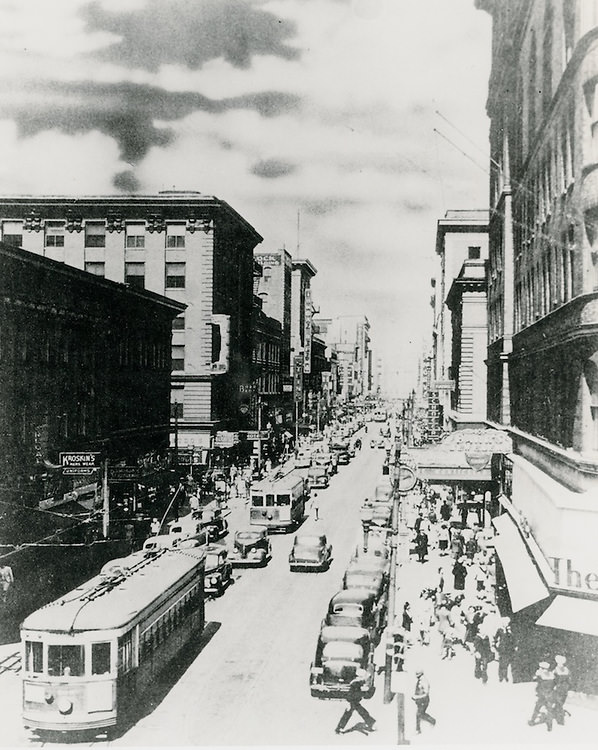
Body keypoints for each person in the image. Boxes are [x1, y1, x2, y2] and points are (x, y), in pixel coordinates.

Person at [528, 660, 555, 731]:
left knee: (537, 707)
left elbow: (535, 679)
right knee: (549, 710)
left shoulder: (541, 674)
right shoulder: (551, 674)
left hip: (542, 695)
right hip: (549, 694)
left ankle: (532, 720)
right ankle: (550, 726)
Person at [412, 670, 436, 734]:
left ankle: (432, 721)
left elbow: (426, 694)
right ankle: (418, 729)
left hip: (424, 700)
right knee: (419, 714)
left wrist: (417, 697)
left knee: (419, 714)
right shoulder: (420, 680)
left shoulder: (424, 681)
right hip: (420, 700)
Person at [494, 617, 516, 683]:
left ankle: (505, 676)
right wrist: (495, 646)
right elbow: (495, 638)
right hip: (502, 648)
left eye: (507, 623)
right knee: (501, 663)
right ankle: (501, 676)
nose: (506, 624)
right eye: (505, 623)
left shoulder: (509, 630)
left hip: (508, 648)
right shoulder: (499, 630)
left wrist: (509, 632)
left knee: (506, 663)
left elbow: (512, 638)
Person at [552, 655, 571, 725]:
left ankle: (560, 720)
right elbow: (569, 680)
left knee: (559, 703)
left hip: (559, 688)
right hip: (565, 689)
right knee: (561, 702)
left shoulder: (556, 670)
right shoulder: (567, 670)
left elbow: (553, 680)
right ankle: (559, 716)